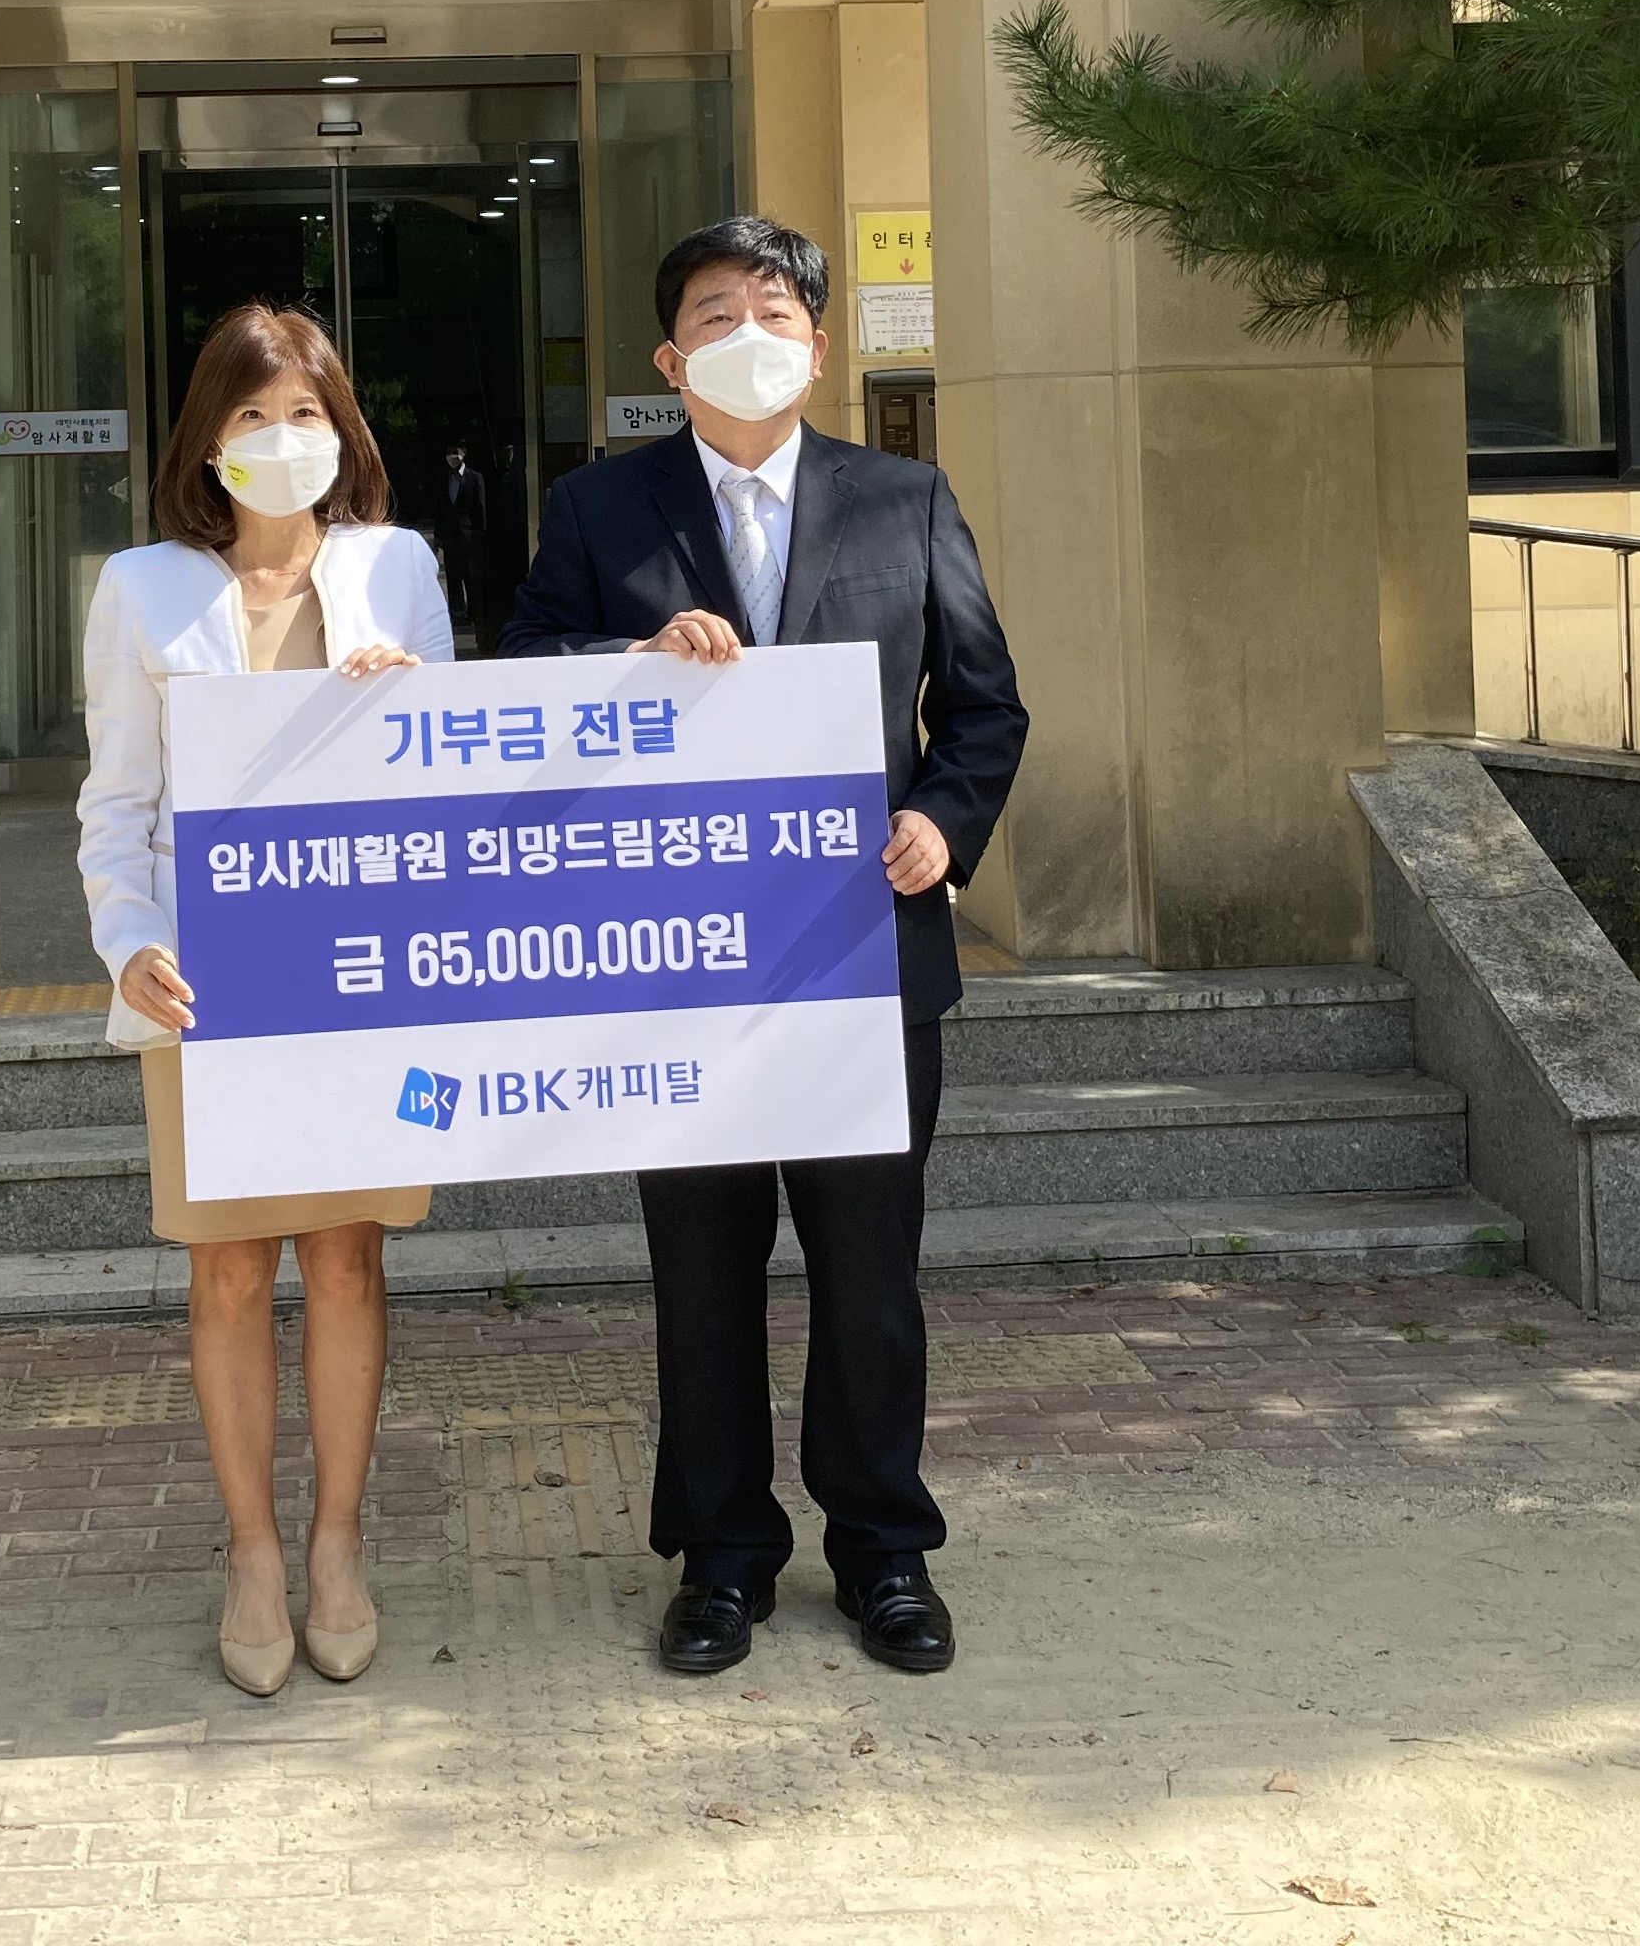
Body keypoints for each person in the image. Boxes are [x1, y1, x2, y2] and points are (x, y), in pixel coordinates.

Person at [500, 216, 1027, 1681]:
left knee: (870, 1274)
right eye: (717, 313)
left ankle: (884, 1550)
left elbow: (983, 705)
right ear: (670, 359)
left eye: (778, 311)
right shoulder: (602, 509)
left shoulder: (905, 498)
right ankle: (722, 1556)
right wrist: (628, 659)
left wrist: (941, 825)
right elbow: (523, 667)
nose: (751, 333)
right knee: (704, 1273)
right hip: (682, 968)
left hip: (863, 949)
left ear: (819, 344)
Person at [79, 302, 456, 1698]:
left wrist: (409, 708)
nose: (281, 438)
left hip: (356, 976)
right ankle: (250, 1551)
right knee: (230, 1272)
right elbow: (117, 805)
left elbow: (456, 778)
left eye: (305, 413)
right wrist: (129, 943)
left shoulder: (396, 567)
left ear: (341, 431)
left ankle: (338, 1543)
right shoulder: (142, 588)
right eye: (251, 415)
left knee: (347, 1260)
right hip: (207, 984)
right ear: (208, 440)